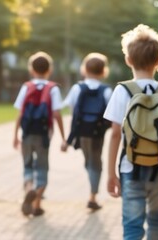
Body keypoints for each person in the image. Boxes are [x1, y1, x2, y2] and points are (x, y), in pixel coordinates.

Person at [103, 24, 158, 240]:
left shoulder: (122, 90)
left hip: (131, 168)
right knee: (156, 220)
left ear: (128, 60)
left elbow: (114, 134)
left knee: (132, 226)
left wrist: (111, 173)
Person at [13, 51, 66, 217]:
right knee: (42, 168)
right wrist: (63, 137)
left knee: (27, 165)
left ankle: (29, 188)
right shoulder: (53, 89)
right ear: (49, 70)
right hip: (44, 135)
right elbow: (57, 114)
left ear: (31, 69)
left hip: (27, 133)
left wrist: (15, 135)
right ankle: (36, 203)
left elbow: (20, 113)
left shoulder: (27, 87)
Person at [62, 52, 112, 211]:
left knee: (88, 161)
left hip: (82, 132)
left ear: (84, 70)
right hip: (98, 133)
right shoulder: (106, 90)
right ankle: (93, 196)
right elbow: (111, 113)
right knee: (96, 163)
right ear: (103, 71)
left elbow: (71, 109)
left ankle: (92, 193)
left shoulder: (78, 88)